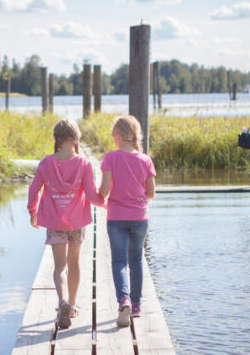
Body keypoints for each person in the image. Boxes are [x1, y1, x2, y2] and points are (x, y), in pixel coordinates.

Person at [27, 119, 105, 329]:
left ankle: (62, 302)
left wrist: (33, 211)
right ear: (75, 139)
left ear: (56, 139)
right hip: (77, 222)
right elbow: (91, 195)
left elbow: (34, 190)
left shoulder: (45, 163)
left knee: (59, 267)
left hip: (54, 222)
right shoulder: (84, 163)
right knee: (74, 264)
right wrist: (106, 203)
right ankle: (71, 304)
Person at [98, 115, 156, 327]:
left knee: (119, 262)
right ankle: (137, 306)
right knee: (136, 261)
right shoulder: (145, 160)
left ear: (118, 135)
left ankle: (124, 301)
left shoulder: (110, 158)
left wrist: (100, 196)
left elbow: (104, 190)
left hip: (116, 217)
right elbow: (151, 192)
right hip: (139, 217)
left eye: (113, 135)